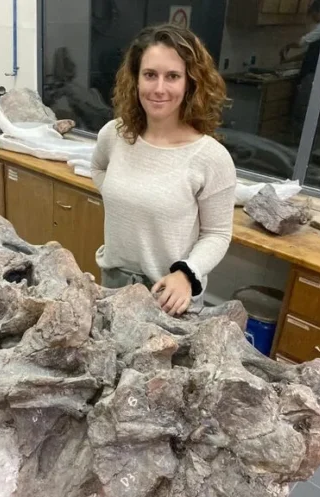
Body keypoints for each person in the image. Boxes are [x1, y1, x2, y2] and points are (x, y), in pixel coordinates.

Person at [90, 23, 236, 316]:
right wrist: (127, 195)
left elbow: (218, 233)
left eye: (172, 76)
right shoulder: (114, 134)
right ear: (135, 79)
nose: (159, 88)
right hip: (113, 285)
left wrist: (187, 274)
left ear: (190, 82)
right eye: (150, 75)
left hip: (169, 295)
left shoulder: (211, 157)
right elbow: (97, 168)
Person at [279, 0, 320, 139]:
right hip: (318, 74)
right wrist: (288, 60)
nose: (312, 18)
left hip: (312, 75)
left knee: (303, 107)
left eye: (314, 14)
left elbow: (302, 42)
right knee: (313, 108)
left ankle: (299, 141)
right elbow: (309, 52)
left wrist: (287, 46)